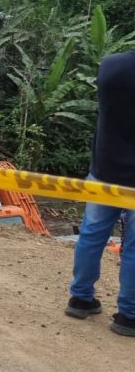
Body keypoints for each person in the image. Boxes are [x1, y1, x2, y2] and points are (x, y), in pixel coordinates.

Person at [65, 50, 135, 337]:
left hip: (105, 170)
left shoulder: (110, 65)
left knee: (91, 235)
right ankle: (129, 315)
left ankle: (80, 297)